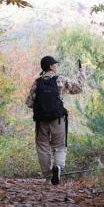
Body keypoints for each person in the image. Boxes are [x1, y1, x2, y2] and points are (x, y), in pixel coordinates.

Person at [25, 55, 85, 185]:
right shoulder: (61, 80)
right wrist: (81, 73)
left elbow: (29, 103)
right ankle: (58, 167)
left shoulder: (36, 83)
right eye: (55, 64)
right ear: (51, 66)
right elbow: (78, 88)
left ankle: (48, 177)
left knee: (43, 147)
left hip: (41, 122)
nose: (56, 66)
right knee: (59, 146)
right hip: (58, 119)